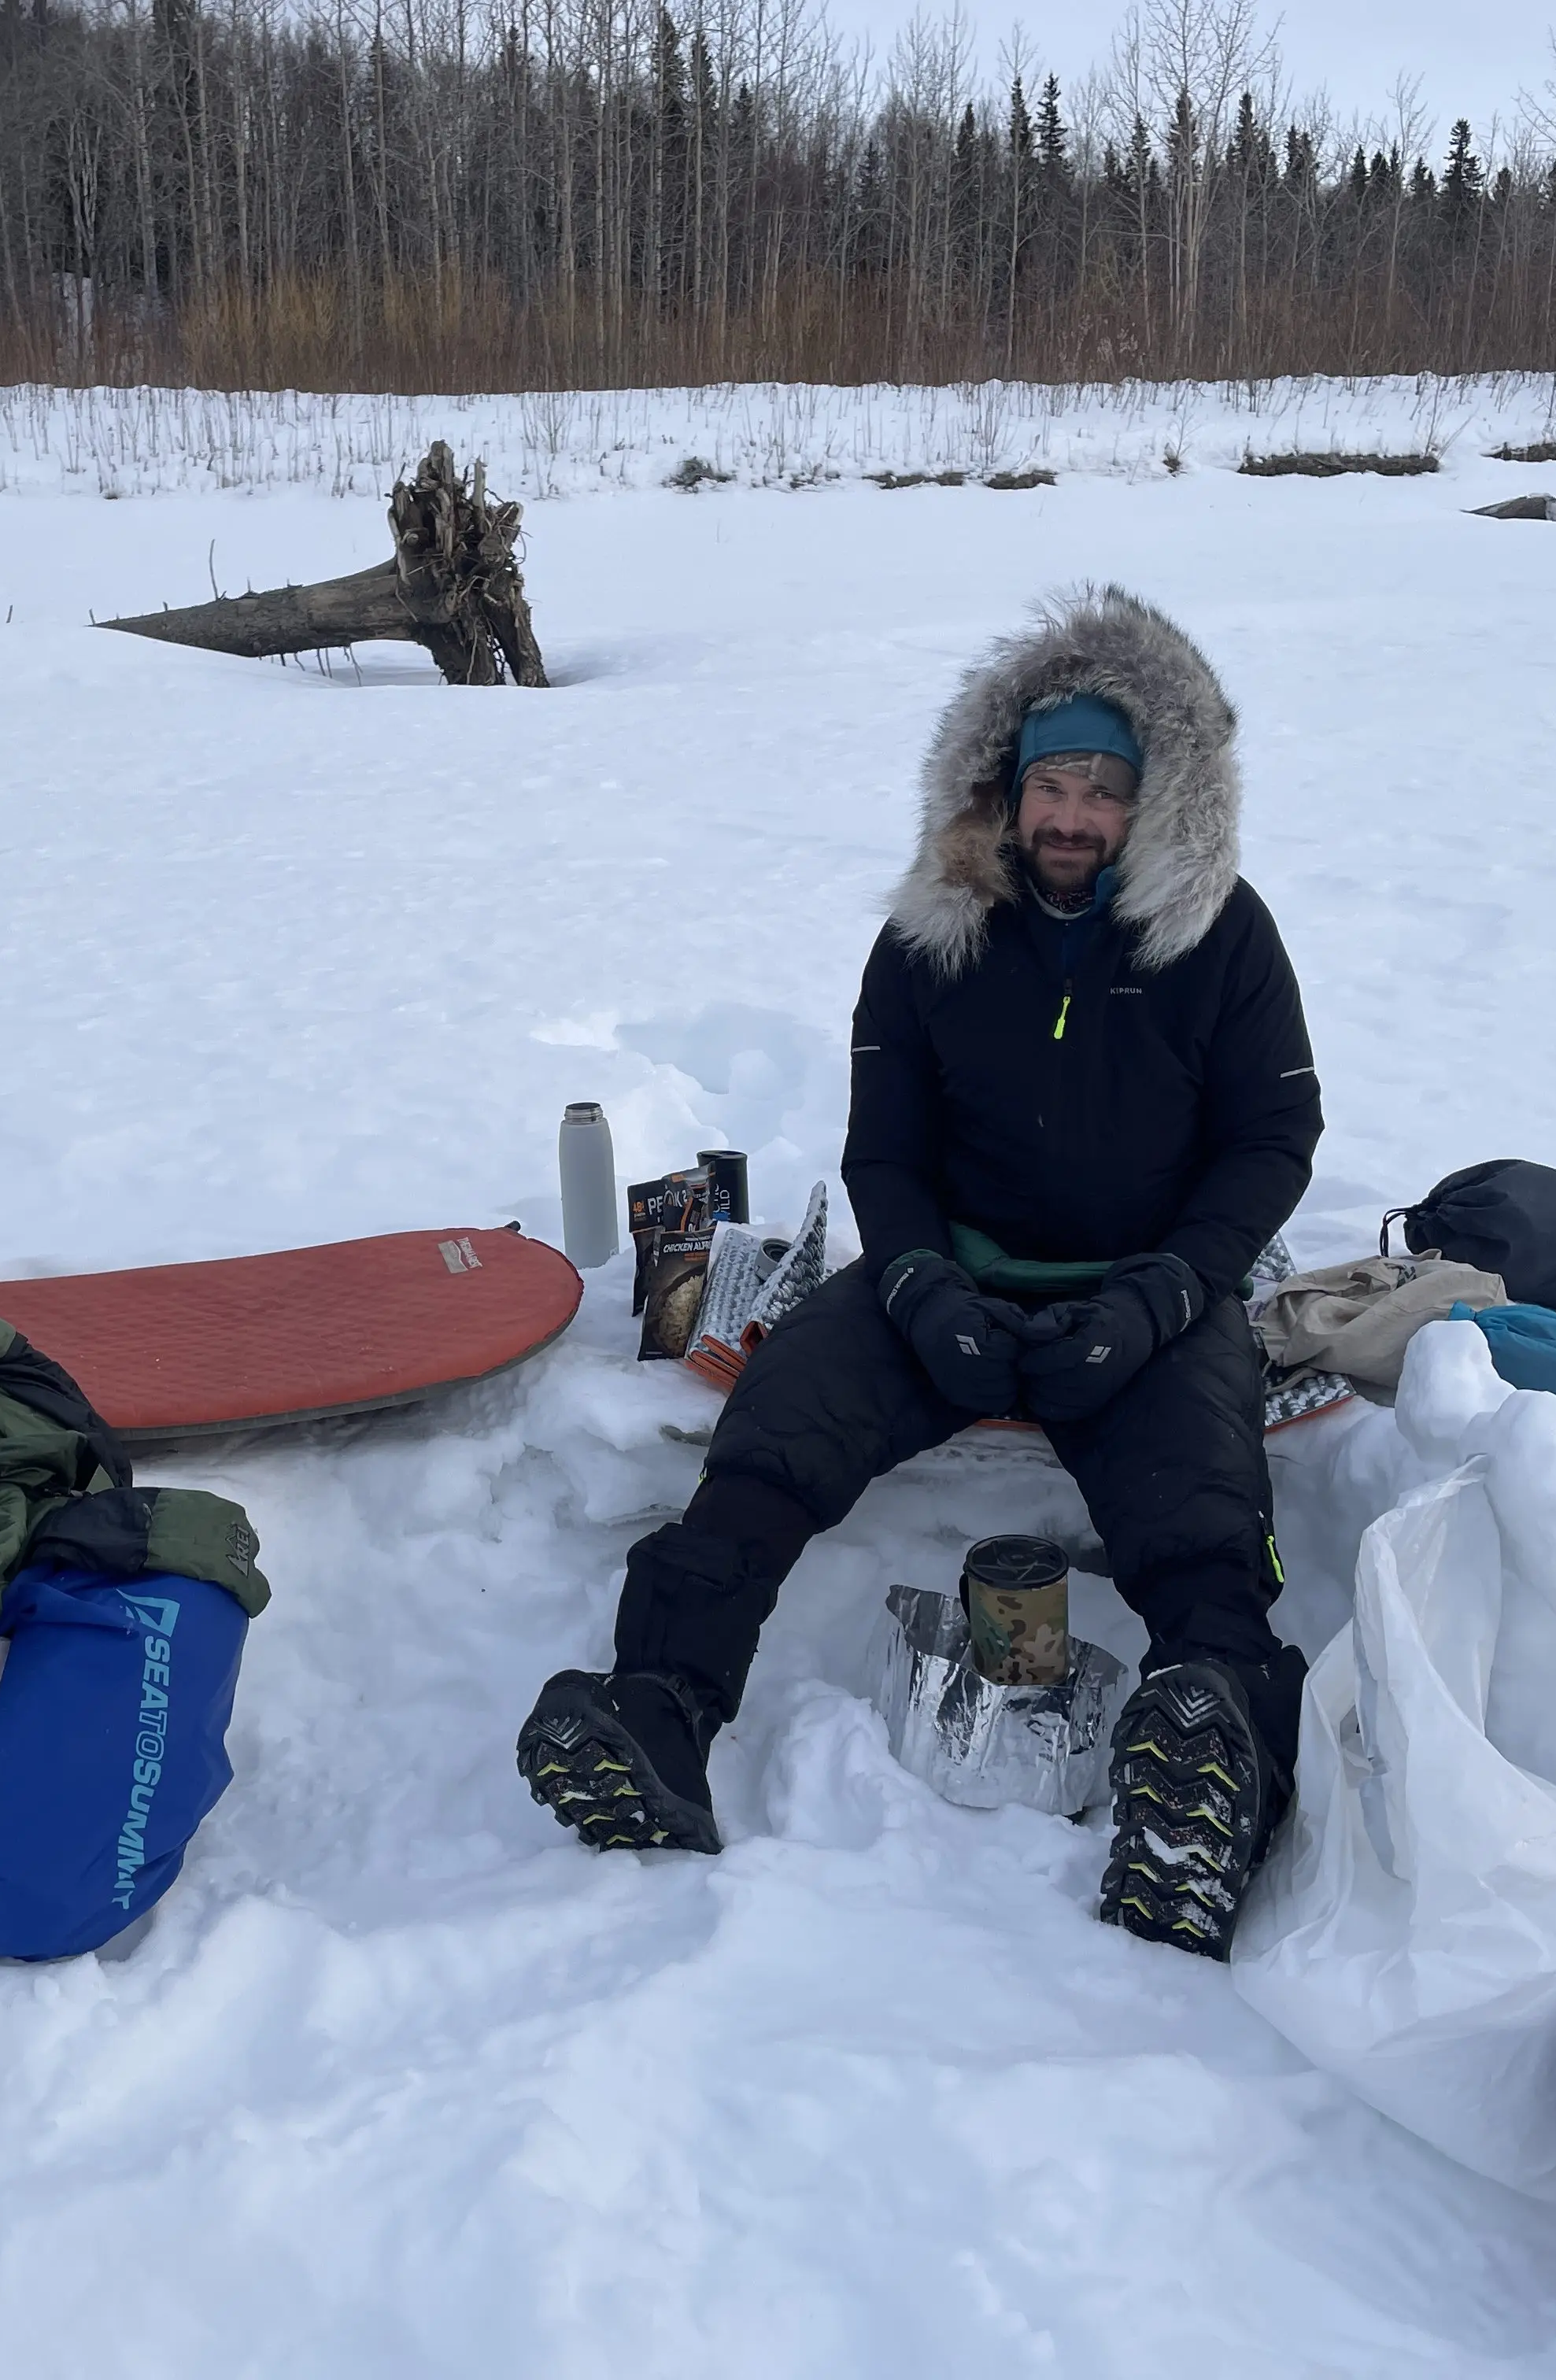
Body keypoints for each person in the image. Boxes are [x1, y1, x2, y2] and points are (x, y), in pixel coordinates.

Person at [516, 584, 1325, 1960]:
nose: (1072, 816)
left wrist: (1170, 1295)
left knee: (1199, 1502)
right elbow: (882, 1153)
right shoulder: (925, 935)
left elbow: (1273, 1136)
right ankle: (658, 1707)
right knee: (775, 1439)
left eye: (1105, 790)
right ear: (1001, 790)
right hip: (954, 1281)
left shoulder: (1223, 936)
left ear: (1158, 802)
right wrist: (917, 1288)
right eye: (1049, 784)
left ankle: (1214, 1744)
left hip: (1149, 1292)